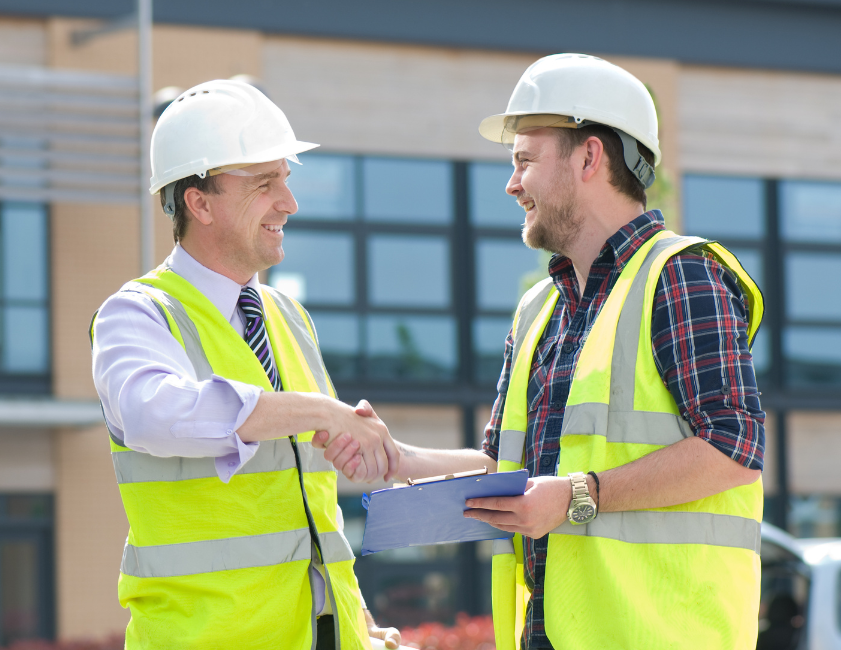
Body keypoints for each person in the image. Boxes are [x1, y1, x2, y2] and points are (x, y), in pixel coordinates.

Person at [318, 54, 765, 650]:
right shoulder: (539, 310)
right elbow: (509, 473)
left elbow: (733, 447)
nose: (511, 184)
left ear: (589, 157)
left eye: (524, 160)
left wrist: (580, 495)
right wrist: (399, 458)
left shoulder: (681, 276)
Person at [91, 79, 401, 650]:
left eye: (286, 178)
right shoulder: (136, 316)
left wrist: (350, 622)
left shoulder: (289, 317)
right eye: (265, 184)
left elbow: (311, 508)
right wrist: (321, 411)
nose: (289, 201)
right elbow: (153, 416)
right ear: (199, 202)